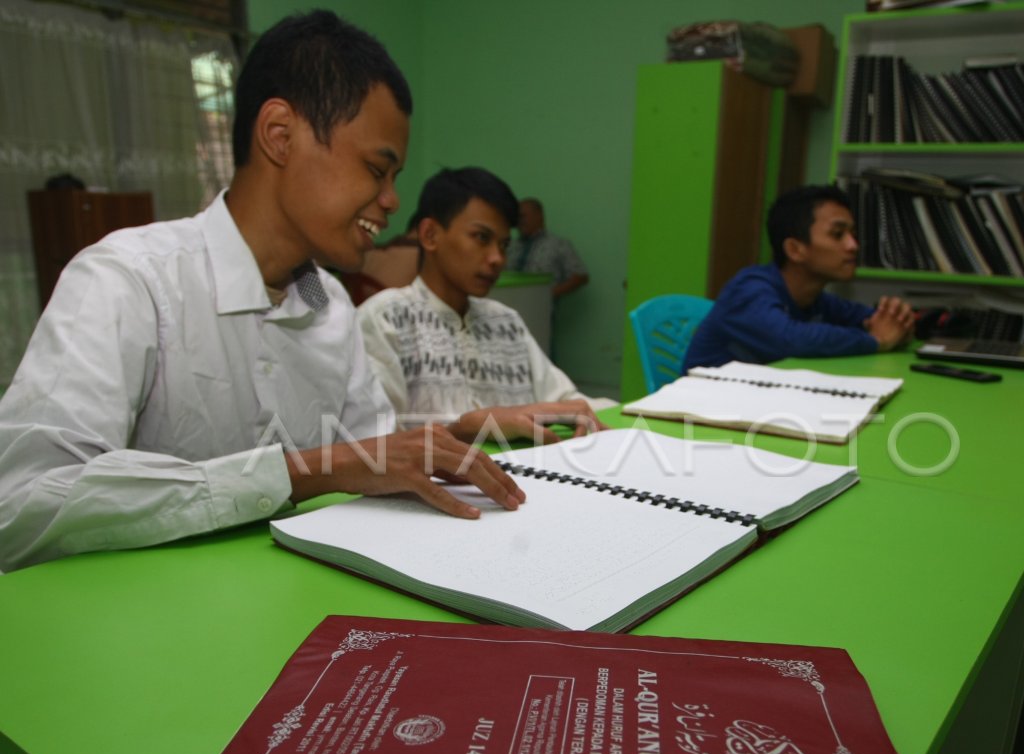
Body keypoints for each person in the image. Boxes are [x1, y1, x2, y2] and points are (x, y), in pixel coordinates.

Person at [0, 11, 523, 573]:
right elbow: (21, 506)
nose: (392, 200)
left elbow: (372, 462)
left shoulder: (327, 302)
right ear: (280, 136)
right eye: (377, 169)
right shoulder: (130, 280)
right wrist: (300, 471)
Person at [358, 167, 613, 445]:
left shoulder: (504, 321)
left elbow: (564, 400)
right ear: (430, 235)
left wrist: (641, 414)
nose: (497, 259)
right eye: (481, 237)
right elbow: (375, 446)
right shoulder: (386, 319)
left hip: (529, 482)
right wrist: (463, 429)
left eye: (503, 245)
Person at [683, 185, 915, 371]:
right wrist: (877, 341)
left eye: (853, 235)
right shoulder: (750, 289)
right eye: (838, 234)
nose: (853, 245)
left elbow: (871, 320)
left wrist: (898, 322)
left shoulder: (815, 298)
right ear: (795, 249)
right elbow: (790, 339)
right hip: (702, 414)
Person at [506, 197, 589, 299]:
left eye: (522, 216)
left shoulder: (558, 245)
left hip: (540, 308)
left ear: (539, 216)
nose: (519, 221)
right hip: (508, 305)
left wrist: (548, 294)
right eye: (517, 218)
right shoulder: (510, 246)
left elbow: (580, 276)